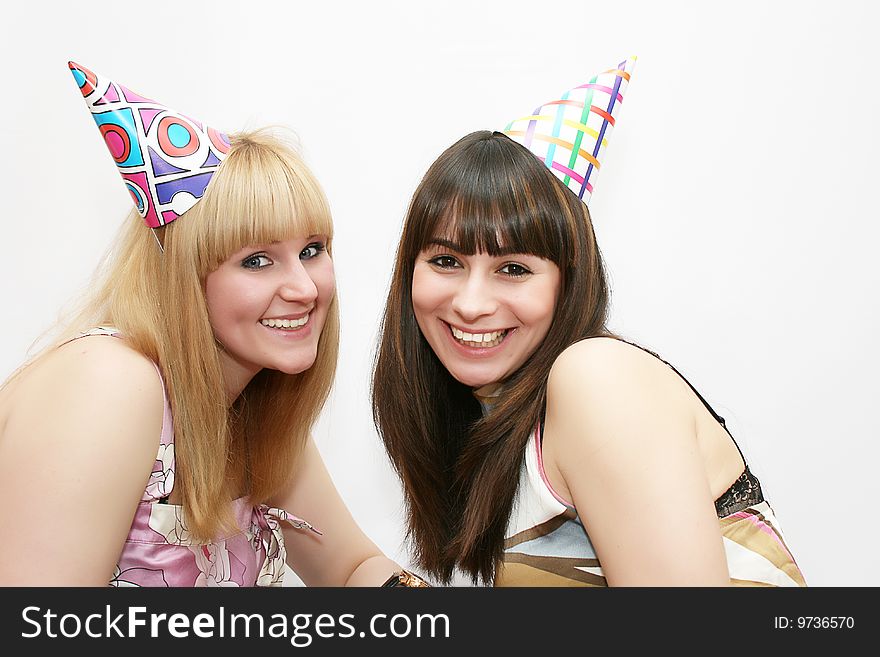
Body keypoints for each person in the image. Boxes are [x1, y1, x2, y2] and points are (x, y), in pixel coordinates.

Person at [371, 58, 805, 586]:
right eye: (446, 262)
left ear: (567, 280)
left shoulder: (596, 378)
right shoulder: (499, 421)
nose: (471, 302)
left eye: (512, 268)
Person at [0, 61, 427, 587]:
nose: (305, 287)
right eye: (256, 260)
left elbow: (352, 568)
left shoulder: (254, 411)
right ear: (184, 278)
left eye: (312, 251)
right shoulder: (110, 383)